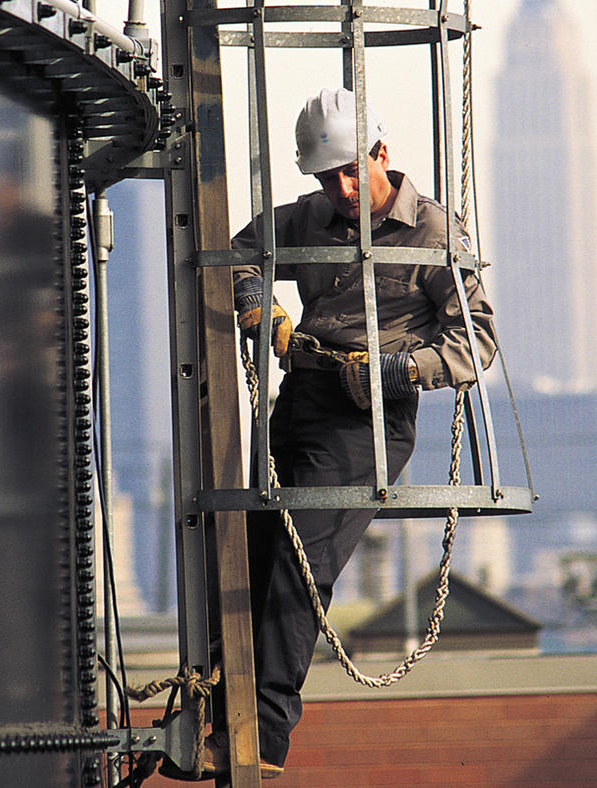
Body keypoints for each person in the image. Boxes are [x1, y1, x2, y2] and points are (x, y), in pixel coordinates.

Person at [206, 87, 498, 779]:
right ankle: (218, 719)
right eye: (324, 177)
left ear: (381, 155)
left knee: (297, 568)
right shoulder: (307, 217)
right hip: (303, 399)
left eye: (348, 172)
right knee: (246, 557)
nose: (338, 189)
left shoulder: (432, 232)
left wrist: (401, 372)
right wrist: (264, 309)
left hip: (368, 423)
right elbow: (234, 255)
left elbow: (475, 342)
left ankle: (259, 740)